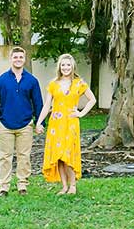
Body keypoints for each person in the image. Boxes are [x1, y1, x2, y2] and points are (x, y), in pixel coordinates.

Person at [35, 53, 97, 195]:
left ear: (73, 66)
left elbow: (92, 99)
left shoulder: (79, 83)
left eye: (68, 65)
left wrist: (81, 113)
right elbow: (46, 105)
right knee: (59, 155)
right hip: (56, 124)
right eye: (63, 65)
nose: (66, 67)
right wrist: (39, 122)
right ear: (59, 67)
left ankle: (73, 185)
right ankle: (64, 186)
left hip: (71, 122)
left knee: (68, 153)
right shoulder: (53, 84)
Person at [0, 46, 43, 198]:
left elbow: (38, 103)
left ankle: (22, 185)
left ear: (25, 59)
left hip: (25, 125)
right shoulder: (1, 80)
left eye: (21, 57)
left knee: (24, 156)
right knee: (4, 156)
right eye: (15, 57)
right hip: (4, 125)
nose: (18, 59)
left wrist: (40, 122)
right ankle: (4, 187)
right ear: (11, 59)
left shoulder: (32, 81)